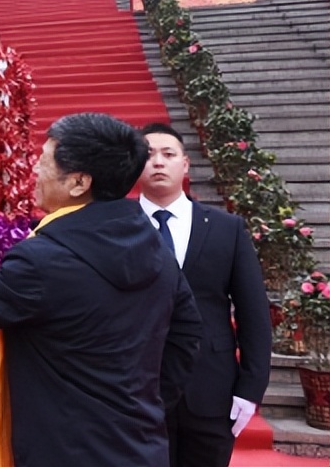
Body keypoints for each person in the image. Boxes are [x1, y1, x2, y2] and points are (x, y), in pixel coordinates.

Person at [0, 112, 202, 466]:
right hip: (139, 445)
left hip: (63, 450)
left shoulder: (46, 260)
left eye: (45, 161)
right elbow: (188, 332)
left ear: (79, 182)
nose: (35, 169)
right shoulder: (154, 245)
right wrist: (147, 400)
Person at [138, 122, 271, 467]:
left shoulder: (227, 229)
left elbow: (253, 312)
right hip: (136, 389)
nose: (158, 162)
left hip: (212, 388)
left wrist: (251, 388)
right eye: (148, 154)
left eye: (168, 154)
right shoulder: (116, 227)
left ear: (185, 164)